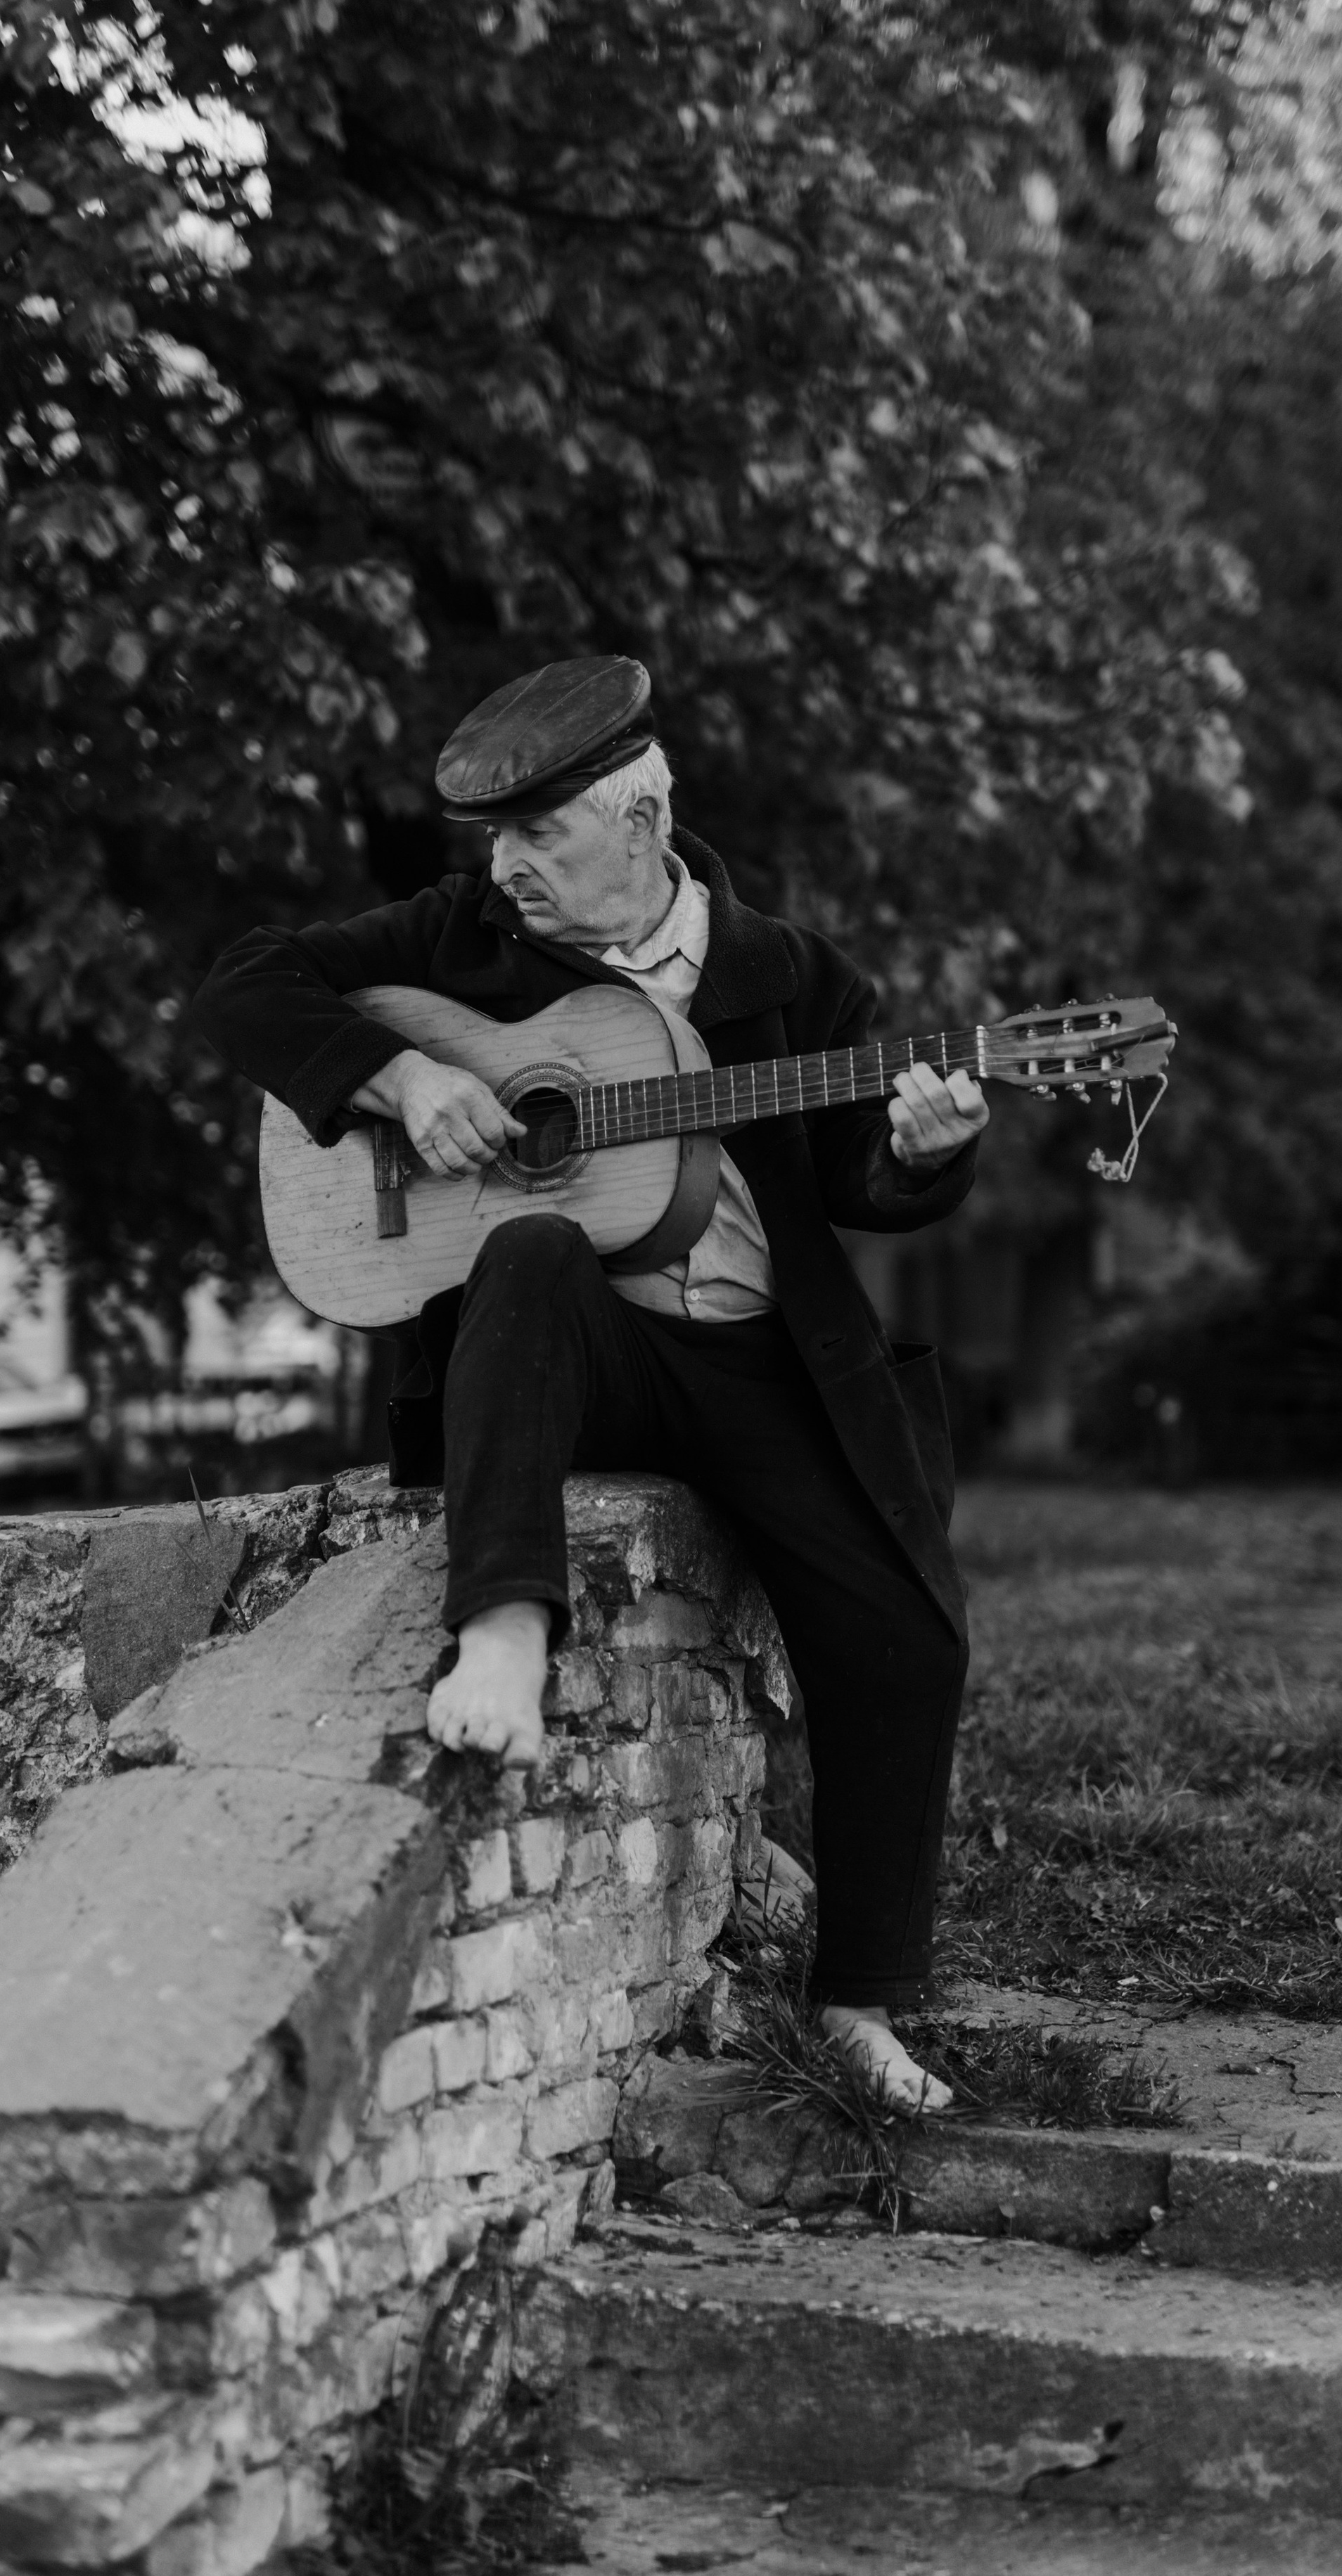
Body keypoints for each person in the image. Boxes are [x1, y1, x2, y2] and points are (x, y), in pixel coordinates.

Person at [193, 656, 989, 2110]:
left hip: (764, 1361)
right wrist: (401, 1080)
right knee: (537, 1248)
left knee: (906, 1641)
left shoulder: (793, 978)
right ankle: (499, 1629)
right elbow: (248, 979)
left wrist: (924, 1151)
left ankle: (858, 2005)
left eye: (536, 839)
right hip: (582, 1357)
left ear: (642, 818)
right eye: (493, 843)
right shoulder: (466, 937)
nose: (504, 872)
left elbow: (860, 1184)